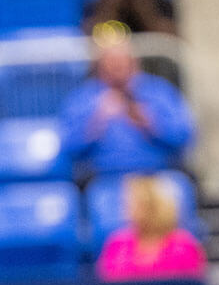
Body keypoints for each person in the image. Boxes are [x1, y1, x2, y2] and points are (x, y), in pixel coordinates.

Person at [59, 38, 195, 182]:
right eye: (111, 65)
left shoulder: (159, 92)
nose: (117, 71)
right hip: (103, 179)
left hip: (158, 176)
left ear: (134, 64)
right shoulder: (83, 98)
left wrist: (152, 124)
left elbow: (185, 136)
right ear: (100, 67)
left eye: (121, 64)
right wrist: (96, 123)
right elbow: (67, 147)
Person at [96, 174, 206, 281]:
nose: (128, 210)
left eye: (138, 204)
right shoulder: (117, 246)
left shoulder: (183, 247)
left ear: (154, 206)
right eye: (128, 203)